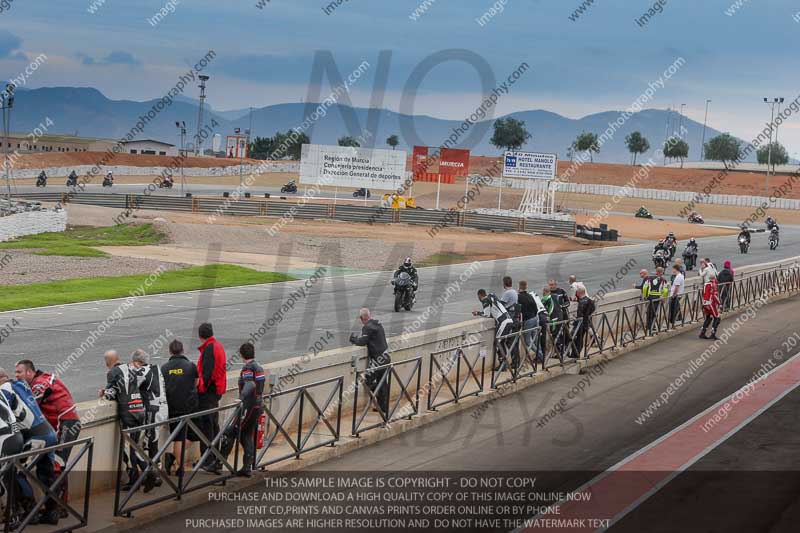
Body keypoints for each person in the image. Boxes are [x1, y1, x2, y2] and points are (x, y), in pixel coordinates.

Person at [16, 360, 81, 513]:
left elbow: (29, 407)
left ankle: (59, 507)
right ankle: (59, 506)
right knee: (56, 465)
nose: (16, 376)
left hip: (65, 424)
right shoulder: (44, 378)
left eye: (19, 372)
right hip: (66, 422)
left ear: (29, 372)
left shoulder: (39, 385)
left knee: (57, 466)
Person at [0, 368, 60, 525]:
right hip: (49, 433)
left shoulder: (4, 389)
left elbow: (5, 415)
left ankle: (30, 513)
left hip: (36, 437)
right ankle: (52, 513)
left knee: (18, 473)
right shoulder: (21, 384)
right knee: (46, 474)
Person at [100, 350, 147, 491]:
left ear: (107, 362)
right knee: (136, 446)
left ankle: (137, 479)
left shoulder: (112, 373)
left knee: (129, 448)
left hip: (128, 413)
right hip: (139, 409)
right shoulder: (131, 367)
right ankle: (147, 474)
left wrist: (103, 393)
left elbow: (110, 394)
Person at [219, 343, 266, 477]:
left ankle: (219, 463)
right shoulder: (259, 367)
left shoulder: (248, 368)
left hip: (249, 406)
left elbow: (250, 384)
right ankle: (247, 467)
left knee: (231, 431)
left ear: (241, 354)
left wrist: (241, 398)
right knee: (246, 435)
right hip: (258, 405)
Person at [160, 340, 199, 477]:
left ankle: (173, 458)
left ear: (170, 351)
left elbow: (161, 389)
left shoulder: (164, 368)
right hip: (190, 407)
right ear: (183, 350)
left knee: (180, 438)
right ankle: (180, 468)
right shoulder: (190, 366)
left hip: (172, 407)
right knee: (187, 437)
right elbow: (196, 383)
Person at [131, 349, 167, 491]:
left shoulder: (142, 371)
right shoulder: (156, 368)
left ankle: (154, 474)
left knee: (150, 442)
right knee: (152, 441)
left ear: (137, 362)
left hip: (153, 410)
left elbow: (128, 387)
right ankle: (154, 471)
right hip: (163, 408)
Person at [196, 323, 227, 468]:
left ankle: (208, 459)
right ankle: (214, 457)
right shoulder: (218, 345)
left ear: (200, 335)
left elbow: (207, 373)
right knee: (213, 425)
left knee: (208, 426)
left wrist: (201, 388)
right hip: (216, 391)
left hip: (209, 393)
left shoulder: (209, 348)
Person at [349, 308, 391, 416]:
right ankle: (383, 407)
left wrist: (353, 339)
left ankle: (381, 400)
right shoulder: (378, 324)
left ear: (361, 318)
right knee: (383, 381)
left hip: (377, 359)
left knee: (368, 380)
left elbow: (362, 342)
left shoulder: (367, 327)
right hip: (386, 356)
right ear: (370, 315)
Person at [473, 289, 516, 371]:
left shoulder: (485, 300)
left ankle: (503, 365)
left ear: (479, 296)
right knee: (503, 343)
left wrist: (477, 313)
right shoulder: (492, 296)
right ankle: (505, 363)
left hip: (504, 322)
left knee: (498, 342)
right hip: (509, 320)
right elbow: (492, 311)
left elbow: (487, 314)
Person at [518, 281, 544, 363]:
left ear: (519, 288)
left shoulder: (519, 297)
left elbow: (518, 310)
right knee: (535, 339)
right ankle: (540, 356)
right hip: (535, 318)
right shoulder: (530, 296)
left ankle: (541, 355)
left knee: (528, 341)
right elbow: (536, 308)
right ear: (526, 287)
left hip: (528, 320)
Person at [642, 266, 669, 333]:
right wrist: (664, 298)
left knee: (648, 311)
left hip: (649, 297)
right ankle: (652, 326)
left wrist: (645, 296)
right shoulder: (663, 280)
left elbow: (645, 288)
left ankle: (648, 326)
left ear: (656, 272)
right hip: (657, 298)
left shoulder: (649, 278)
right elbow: (665, 290)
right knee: (654, 312)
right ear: (662, 272)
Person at [572, 287, 596, 358]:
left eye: (576, 293)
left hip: (581, 324)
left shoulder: (582, 302)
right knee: (580, 339)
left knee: (577, 339)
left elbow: (580, 315)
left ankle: (575, 354)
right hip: (587, 323)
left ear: (578, 293)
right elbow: (592, 310)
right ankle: (576, 354)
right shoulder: (589, 301)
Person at [700, 270, 721, 340]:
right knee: (717, 317)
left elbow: (703, 294)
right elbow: (714, 296)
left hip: (705, 303)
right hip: (710, 303)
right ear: (714, 278)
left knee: (708, 317)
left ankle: (702, 333)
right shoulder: (713, 285)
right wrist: (719, 303)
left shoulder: (706, 284)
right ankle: (713, 333)